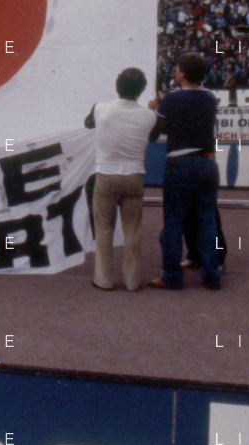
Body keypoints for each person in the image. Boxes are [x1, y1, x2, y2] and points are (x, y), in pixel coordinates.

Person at [148, 51, 220, 291]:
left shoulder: (171, 99)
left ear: (183, 73)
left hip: (180, 163)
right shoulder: (210, 98)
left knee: (173, 221)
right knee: (207, 221)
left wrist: (156, 109)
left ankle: (171, 275)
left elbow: (155, 133)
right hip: (207, 163)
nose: (175, 72)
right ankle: (211, 274)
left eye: (177, 68)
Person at [84, 68, 155, 291]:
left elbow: (88, 123)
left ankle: (104, 279)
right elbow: (154, 136)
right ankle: (132, 281)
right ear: (141, 90)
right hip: (134, 176)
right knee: (133, 231)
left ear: (117, 86)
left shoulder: (100, 109)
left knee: (104, 230)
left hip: (106, 175)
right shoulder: (149, 115)